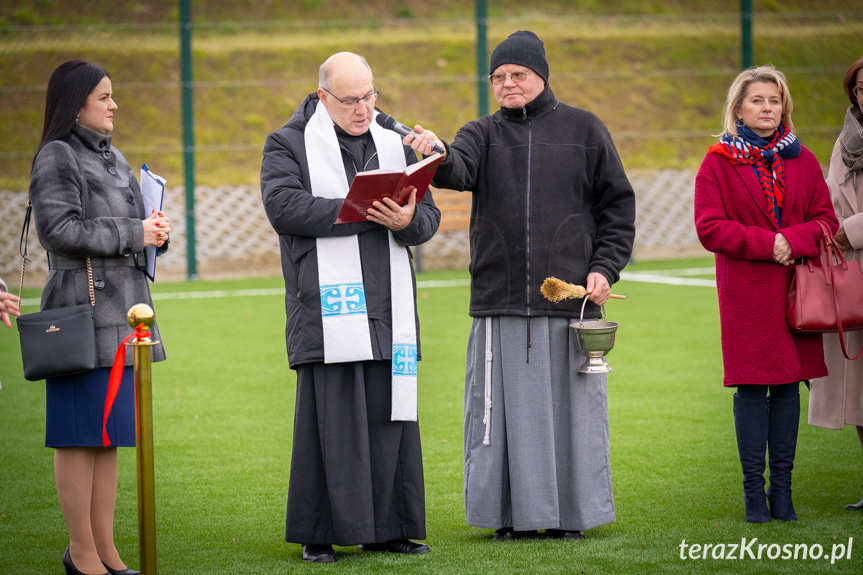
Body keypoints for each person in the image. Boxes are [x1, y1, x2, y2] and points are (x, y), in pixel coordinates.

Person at [405, 30, 636, 541]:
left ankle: (570, 518)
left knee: (572, 418)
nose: (508, 84)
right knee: (500, 417)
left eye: (519, 75)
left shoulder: (586, 129)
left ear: (541, 76)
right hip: (500, 300)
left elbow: (617, 209)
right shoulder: (480, 133)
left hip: (571, 306)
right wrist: (436, 152)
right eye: (499, 77)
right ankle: (507, 518)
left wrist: (604, 268)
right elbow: (457, 170)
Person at [260, 52, 440, 564]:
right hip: (324, 307)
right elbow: (284, 207)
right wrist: (363, 211)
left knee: (392, 421)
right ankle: (321, 533)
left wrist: (404, 220)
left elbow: (426, 219)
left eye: (370, 96)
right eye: (351, 100)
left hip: (388, 308)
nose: (364, 109)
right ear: (323, 98)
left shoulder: (394, 143)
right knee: (330, 422)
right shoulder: (288, 142)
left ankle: (394, 527)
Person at [29, 60, 170, 575]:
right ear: (77, 104)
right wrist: (135, 231)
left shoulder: (115, 156)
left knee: (108, 436)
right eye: (104, 96)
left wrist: (156, 230)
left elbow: (131, 228)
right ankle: (81, 552)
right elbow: (59, 231)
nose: (114, 105)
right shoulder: (56, 156)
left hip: (125, 317)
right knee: (77, 434)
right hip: (78, 315)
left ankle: (106, 550)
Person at [694, 65, 838, 523]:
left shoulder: (804, 160)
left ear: (784, 108)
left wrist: (790, 242)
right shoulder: (717, 161)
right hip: (746, 296)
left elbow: (826, 223)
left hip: (796, 295)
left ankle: (784, 493)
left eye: (774, 101)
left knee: (788, 390)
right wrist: (768, 244)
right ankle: (754, 495)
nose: (767, 108)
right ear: (738, 108)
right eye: (757, 100)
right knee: (753, 390)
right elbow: (709, 227)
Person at [808, 56, 863, 511]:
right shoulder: (845, 143)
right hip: (852, 274)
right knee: (861, 390)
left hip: (854, 246)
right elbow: (828, 198)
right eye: (862, 88)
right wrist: (828, 227)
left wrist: (853, 228)